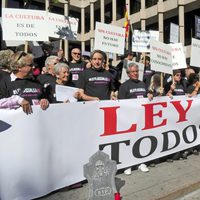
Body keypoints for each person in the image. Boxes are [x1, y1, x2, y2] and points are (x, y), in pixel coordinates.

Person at [118, 62, 153, 174]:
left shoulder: (143, 84)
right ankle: (128, 165)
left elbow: (148, 96)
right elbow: (121, 104)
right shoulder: (124, 86)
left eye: (137, 71)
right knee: (129, 141)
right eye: (132, 72)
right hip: (129, 119)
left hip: (141, 118)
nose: (135, 73)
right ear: (128, 74)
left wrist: (150, 95)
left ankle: (140, 162)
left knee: (141, 140)